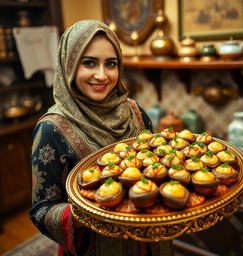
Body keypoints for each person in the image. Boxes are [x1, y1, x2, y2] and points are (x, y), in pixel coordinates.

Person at [29, 20, 171, 256]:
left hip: (153, 241)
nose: (102, 75)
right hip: (98, 247)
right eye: (89, 63)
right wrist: (95, 210)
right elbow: (42, 211)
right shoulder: (51, 130)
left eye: (111, 64)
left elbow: (158, 167)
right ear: (69, 66)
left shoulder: (134, 111)